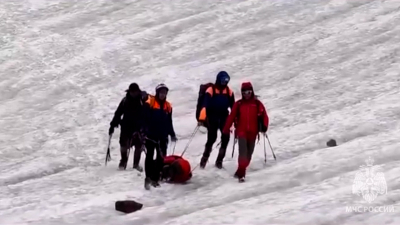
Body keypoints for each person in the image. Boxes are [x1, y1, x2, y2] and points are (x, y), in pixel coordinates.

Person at [222, 82, 269, 182]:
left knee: (249, 156)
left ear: (252, 91)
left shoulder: (257, 103)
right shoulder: (238, 104)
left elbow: (264, 116)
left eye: (249, 92)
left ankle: (240, 170)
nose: (247, 94)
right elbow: (231, 117)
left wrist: (265, 126)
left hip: (253, 133)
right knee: (243, 153)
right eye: (244, 92)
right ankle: (241, 175)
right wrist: (226, 129)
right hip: (241, 132)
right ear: (242, 93)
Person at [143, 83, 177, 189]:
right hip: (151, 136)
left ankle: (156, 178)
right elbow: (144, 119)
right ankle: (148, 177)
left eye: (165, 93)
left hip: (162, 136)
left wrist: (172, 133)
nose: (163, 94)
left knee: (161, 158)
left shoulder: (168, 106)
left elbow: (169, 121)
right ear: (157, 92)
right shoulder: (150, 103)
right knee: (149, 156)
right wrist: (144, 131)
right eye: (161, 92)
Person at [197, 71, 235, 169]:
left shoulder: (229, 91)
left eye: (226, 81)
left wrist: (236, 119)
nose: (224, 83)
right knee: (212, 139)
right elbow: (205, 104)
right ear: (219, 79)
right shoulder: (211, 89)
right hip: (212, 117)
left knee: (225, 139)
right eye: (223, 80)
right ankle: (204, 159)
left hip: (224, 117)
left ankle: (219, 161)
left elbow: (234, 107)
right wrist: (202, 118)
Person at [109, 83, 148, 171]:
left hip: (139, 127)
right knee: (123, 145)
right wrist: (112, 125)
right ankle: (123, 161)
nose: (133, 94)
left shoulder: (143, 100)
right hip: (126, 127)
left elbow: (148, 112)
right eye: (132, 92)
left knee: (139, 146)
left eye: (135, 92)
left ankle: (136, 164)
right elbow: (118, 113)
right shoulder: (125, 101)